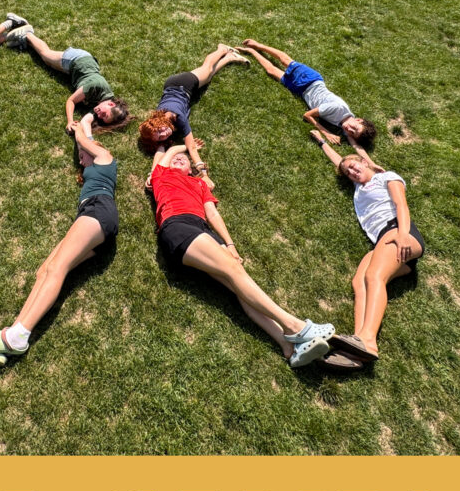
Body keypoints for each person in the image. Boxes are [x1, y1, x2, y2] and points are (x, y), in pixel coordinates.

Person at [147, 144, 344, 368]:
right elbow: (168, 153)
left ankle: (288, 347)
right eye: (175, 160)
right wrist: (183, 147)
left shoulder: (200, 183)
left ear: (191, 169)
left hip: (202, 230)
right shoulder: (161, 175)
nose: (178, 160)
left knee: (239, 284)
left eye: (184, 160)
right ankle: (295, 326)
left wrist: (230, 244)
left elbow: (212, 213)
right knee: (235, 272)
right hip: (178, 225)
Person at [0, 113, 119, 364]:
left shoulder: (105, 158)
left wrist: (82, 122)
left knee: (57, 268)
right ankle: (14, 331)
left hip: (99, 210)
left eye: (85, 155)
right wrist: (81, 131)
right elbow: (83, 142)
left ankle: (18, 337)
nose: (81, 158)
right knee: (44, 270)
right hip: (92, 218)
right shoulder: (93, 166)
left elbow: (84, 139)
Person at [308, 131, 425, 362]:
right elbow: (339, 161)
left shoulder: (385, 177)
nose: (352, 172)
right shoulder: (358, 189)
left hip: (399, 232)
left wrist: (402, 234)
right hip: (381, 241)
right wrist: (321, 141)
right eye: (348, 173)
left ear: (364, 162)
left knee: (374, 276)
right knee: (359, 280)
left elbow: (401, 204)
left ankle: (368, 341)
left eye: (354, 166)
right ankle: (356, 345)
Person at [238, 39, 379, 167]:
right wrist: (326, 132)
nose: (350, 130)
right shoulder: (338, 109)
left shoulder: (346, 124)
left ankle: (251, 51)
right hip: (309, 80)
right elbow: (307, 115)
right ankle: (258, 45)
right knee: (285, 60)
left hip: (302, 91)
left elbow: (356, 146)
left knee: (271, 70)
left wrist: (372, 164)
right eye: (355, 128)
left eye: (352, 133)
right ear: (358, 120)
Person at [137, 44, 249, 186]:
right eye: (160, 137)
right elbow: (160, 150)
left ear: (159, 123)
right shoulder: (161, 122)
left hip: (182, 84)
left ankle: (222, 49)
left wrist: (203, 173)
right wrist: (152, 174)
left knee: (207, 68)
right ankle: (229, 58)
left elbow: (192, 147)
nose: (164, 134)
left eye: (160, 131)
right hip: (173, 87)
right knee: (207, 78)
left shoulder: (177, 117)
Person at [5, 24, 132, 133]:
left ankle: (25, 41)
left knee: (49, 62)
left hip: (78, 68)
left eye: (102, 118)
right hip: (77, 60)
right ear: (111, 104)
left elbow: (87, 119)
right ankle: (27, 33)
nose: (98, 114)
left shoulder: (103, 100)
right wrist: (70, 121)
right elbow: (71, 101)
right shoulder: (94, 86)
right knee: (46, 55)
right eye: (104, 114)